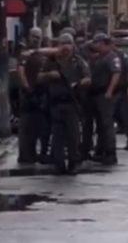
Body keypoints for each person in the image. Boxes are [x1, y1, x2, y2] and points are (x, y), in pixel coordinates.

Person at [37, 33, 91, 174]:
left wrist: (79, 84)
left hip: (71, 103)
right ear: (58, 45)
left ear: (72, 46)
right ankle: (59, 164)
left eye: (68, 43)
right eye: (63, 43)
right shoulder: (51, 61)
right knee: (57, 136)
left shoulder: (78, 61)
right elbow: (39, 78)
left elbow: (88, 78)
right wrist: (49, 75)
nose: (65, 46)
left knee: (73, 136)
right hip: (55, 103)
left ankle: (73, 163)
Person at [89, 33, 122, 165]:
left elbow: (116, 74)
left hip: (106, 94)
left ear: (102, 43)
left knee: (107, 124)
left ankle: (110, 153)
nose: (95, 46)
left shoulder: (111, 57)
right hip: (97, 94)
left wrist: (110, 91)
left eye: (97, 43)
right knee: (101, 125)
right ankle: (100, 151)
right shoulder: (99, 57)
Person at [17, 27, 48, 164]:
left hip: (43, 95)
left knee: (42, 126)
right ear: (29, 37)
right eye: (33, 36)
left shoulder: (44, 54)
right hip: (29, 95)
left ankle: (41, 153)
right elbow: (21, 71)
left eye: (38, 36)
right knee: (26, 126)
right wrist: (27, 87)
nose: (36, 39)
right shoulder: (25, 54)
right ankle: (25, 155)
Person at [112, 40, 128, 150]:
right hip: (119, 90)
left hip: (118, 90)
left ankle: (108, 146)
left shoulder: (118, 55)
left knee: (112, 118)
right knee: (124, 116)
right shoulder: (121, 54)